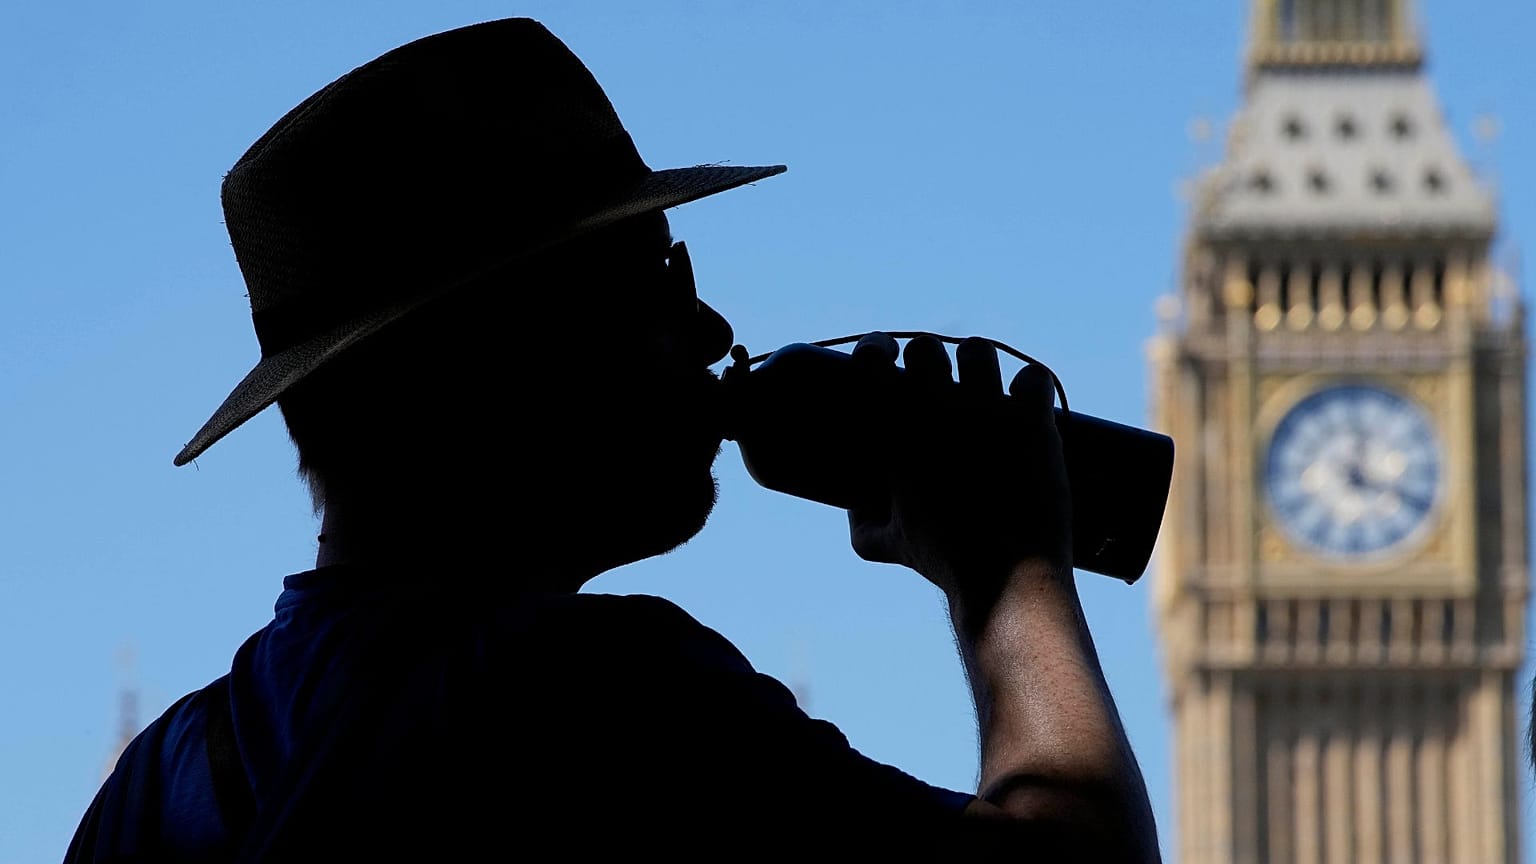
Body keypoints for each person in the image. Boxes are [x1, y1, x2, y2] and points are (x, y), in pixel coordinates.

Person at [65, 18, 1159, 862]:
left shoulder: (155, 791)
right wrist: (1007, 574)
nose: (714, 332)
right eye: (661, 280)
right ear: (504, 358)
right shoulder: (594, 695)